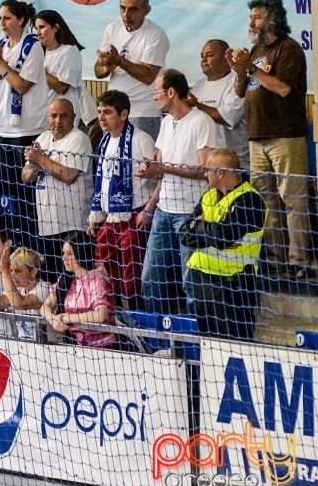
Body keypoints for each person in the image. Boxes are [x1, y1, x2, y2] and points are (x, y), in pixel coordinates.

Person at [228, 0, 311, 280]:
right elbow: (242, 91)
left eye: (257, 17)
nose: (252, 22)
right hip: (256, 135)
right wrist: (240, 71)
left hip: (285, 136)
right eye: (251, 17)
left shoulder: (288, 50)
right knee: (266, 201)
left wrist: (250, 69)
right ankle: (276, 262)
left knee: (293, 199)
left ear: (272, 19)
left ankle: (299, 261)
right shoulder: (256, 50)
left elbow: (284, 89)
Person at [136, 69, 218, 315]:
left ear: (171, 92)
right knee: (150, 279)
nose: (154, 97)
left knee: (191, 282)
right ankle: (161, 336)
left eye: (157, 92)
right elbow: (161, 169)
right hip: (164, 210)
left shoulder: (201, 121)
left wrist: (163, 168)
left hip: (190, 214)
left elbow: (206, 169)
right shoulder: (165, 123)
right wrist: (150, 205)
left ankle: (198, 340)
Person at [0, 0, 48, 249]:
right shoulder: (0, 47)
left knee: (26, 195)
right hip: (4, 129)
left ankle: (33, 249)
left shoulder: (33, 47)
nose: (2, 23)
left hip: (27, 130)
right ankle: (10, 243)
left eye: (7, 18)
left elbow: (22, 85)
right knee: (5, 191)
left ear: (20, 20)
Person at [180, 149, 266, 341]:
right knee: (206, 345)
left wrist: (200, 226)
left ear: (220, 173)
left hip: (233, 286)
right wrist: (209, 230)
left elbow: (223, 236)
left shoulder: (250, 200)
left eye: (207, 170)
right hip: (201, 282)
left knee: (235, 345)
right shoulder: (209, 196)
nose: (204, 174)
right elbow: (184, 233)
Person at [87, 90, 156, 310]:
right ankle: (112, 314)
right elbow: (101, 180)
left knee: (131, 274)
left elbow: (157, 178)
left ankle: (137, 315)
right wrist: (95, 212)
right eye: (99, 112)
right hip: (110, 217)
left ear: (124, 114)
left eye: (107, 112)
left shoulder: (141, 140)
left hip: (133, 217)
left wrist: (148, 210)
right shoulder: (104, 140)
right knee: (105, 270)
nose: (101, 117)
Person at [22, 98, 92, 281]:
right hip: (47, 224)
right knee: (53, 280)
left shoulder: (79, 139)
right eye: (53, 116)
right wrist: (35, 165)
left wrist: (40, 160)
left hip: (72, 225)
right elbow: (26, 176)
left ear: (74, 118)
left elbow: (69, 176)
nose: (58, 121)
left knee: (72, 279)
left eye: (63, 116)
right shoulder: (42, 138)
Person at [95, 0, 169, 140]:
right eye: (122, 8)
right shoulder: (112, 28)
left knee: (141, 162)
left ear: (146, 10)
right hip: (114, 111)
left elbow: (148, 75)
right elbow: (98, 71)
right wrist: (106, 66)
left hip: (142, 112)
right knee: (111, 160)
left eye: (133, 9)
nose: (126, 15)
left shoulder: (156, 34)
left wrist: (119, 61)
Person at [40, 238, 117, 348]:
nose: (64, 258)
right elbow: (45, 306)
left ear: (80, 254)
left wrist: (69, 318)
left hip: (104, 347)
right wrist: (53, 319)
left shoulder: (98, 280)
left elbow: (101, 315)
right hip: (78, 346)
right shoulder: (65, 280)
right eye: (63, 253)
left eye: (70, 254)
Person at [187, 39, 249, 168]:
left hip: (234, 164)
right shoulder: (198, 86)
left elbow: (228, 118)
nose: (204, 60)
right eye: (202, 56)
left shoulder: (237, 81)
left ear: (226, 58)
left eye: (209, 55)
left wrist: (196, 105)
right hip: (205, 163)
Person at [34, 9, 96, 132]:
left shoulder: (69, 51)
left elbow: (62, 87)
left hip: (63, 119)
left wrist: (37, 69)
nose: (38, 33)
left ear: (55, 28)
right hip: (41, 118)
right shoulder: (39, 53)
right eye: (36, 28)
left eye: (42, 27)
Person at [0, 242, 51, 340]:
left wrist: (5, 273)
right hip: (23, 348)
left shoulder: (45, 288)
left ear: (33, 272)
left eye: (18, 271)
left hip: (47, 350)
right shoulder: (17, 290)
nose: (13, 275)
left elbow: (20, 304)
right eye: (11, 270)